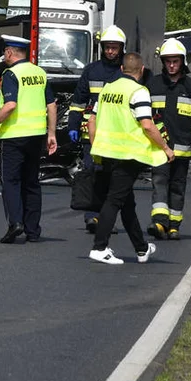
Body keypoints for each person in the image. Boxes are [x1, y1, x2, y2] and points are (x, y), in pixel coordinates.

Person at [86, 52, 173, 265]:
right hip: (128, 155)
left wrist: (96, 145)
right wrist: (165, 148)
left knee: (127, 203)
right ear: (141, 71)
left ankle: (141, 249)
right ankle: (99, 247)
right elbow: (147, 124)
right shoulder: (138, 91)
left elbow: (91, 121)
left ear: (122, 69)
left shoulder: (107, 89)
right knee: (115, 200)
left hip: (106, 153)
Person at [0, 35, 57, 244]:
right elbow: (51, 105)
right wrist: (51, 134)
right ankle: (33, 230)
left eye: (5, 51)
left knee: (11, 181)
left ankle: (15, 223)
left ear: (9, 52)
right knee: (32, 182)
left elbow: (10, 105)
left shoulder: (10, 74)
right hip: (36, 136)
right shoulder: (39, 73)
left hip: (14, 136)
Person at [147, 38, 191, 241]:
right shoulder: (153, 85)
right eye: (168, 61)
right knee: (159, 182)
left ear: (182, 62)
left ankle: (174, 226)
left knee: (177, 187)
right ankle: (159, 222)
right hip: (159, 148)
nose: (171, 65)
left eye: (175, 61)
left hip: (182, 150)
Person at [67, 26, 126, 233]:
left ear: (121, 49)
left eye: (114, 48)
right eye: (108, 47)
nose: (111, 51)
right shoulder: (91, 70)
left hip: (117, 135)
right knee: (92, 173)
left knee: (112, 178)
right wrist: (73, 125)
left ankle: (107, 217)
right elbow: (78, 102)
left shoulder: (125, 71)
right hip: (90, 135)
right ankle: (92, 216)